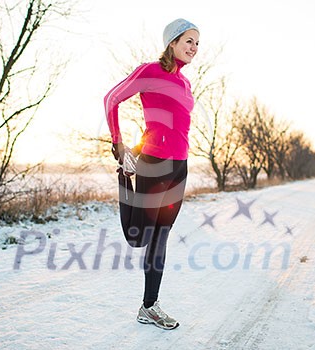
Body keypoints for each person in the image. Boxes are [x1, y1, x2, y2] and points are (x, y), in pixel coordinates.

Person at [103, 18, 199, 330]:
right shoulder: (150, 71)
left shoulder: (185, 83)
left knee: (161, 237)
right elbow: (111, 99)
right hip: (154, 163)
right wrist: (118, 141)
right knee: (140, 235)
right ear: (172, 42)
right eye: (188, 41)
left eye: (197, 43)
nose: (194, 48)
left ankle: (149, 306)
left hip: (179, 167)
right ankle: (125, 186)